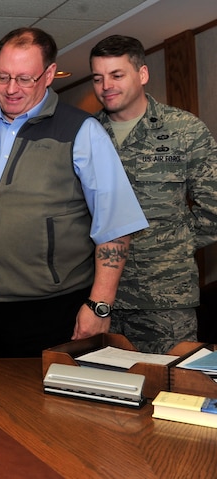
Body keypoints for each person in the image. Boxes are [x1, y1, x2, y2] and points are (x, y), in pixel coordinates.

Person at [0, 27, 149, 358]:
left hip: (51, 309)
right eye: (2, 77)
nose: (10, 89)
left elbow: (115, 227)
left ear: (49, 74)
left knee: (42, 407)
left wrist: (99, 305)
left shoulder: (81, 132)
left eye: (24, 78)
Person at [89, 35, 217, 353]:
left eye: (117, 75)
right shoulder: (85, 135)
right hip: (98, 298)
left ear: (142, 74)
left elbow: (214, 207)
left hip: (164, 297)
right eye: (98, 78)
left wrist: (170, 245)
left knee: (172, 392)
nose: (106, 85)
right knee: (103, 394)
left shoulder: (185, 130)